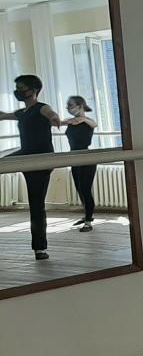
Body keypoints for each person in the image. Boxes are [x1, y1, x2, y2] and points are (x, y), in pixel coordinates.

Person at [0, 75, 62, 260]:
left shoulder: (41, 107)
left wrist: (55, 118)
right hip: (25, 155)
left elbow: (51, 113)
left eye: (22, 88)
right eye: (17, 88)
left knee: (36, 203)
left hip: (41, 159)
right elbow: (4, 115)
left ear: (34, 90)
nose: (18, 91)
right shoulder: (22, 112)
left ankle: (40, 248)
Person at [63, 96, 98, 232]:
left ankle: (88, 222)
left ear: (80, 106)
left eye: (71, 105)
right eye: (68, 106)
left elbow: (94, 124)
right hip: (74, 158)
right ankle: (87, 215)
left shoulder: (88, 121)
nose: (68, 108)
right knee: (79, 188)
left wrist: (83, 119)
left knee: (85, 189)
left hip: (87, 158)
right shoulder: (71, 122)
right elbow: (59, 122)